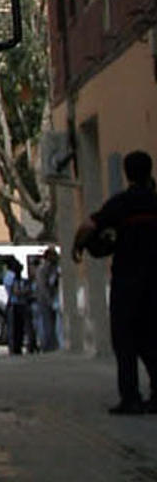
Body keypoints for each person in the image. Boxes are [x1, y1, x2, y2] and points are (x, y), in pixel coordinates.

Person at [75, 149, 157, 413]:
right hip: (154, 283)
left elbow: (88, 226)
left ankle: (130, 398)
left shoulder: (120, 204)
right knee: (151, 339)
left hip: (127, 282)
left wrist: (78, 247)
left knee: (125, 341)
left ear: (127, 173)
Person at [1, 254, 35, 355]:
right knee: (15, 329)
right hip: (14, 304)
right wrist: (26, 290)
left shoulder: (14, 276)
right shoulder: (10, 276)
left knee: (20, 329)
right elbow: (16, 291)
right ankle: (14, 349)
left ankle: (18, 347)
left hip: (20, 304)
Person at [33, 244, 62, 352]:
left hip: (51, 299)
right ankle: (47, 346)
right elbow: (43, 287)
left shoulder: (53, 268)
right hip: (45, 300)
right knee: (46, 325)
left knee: (52, 324)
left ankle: (52, 345)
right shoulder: (43, 269)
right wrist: (49, 300)